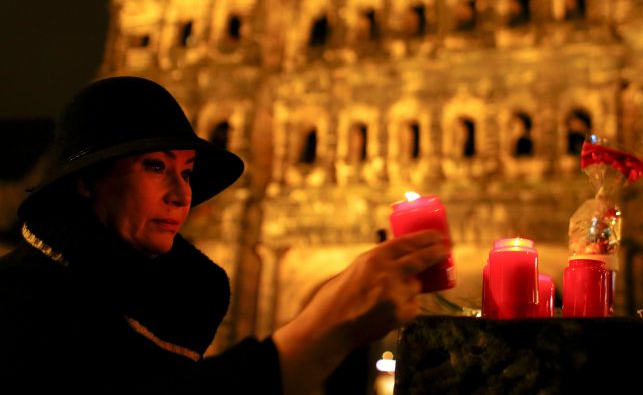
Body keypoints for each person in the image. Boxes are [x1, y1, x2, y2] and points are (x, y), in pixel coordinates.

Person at [0, 76, 448, 394]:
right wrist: (320, 330)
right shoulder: (23, 296)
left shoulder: (175, 297)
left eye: (188, 172)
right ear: (86, 181)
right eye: (154, 166)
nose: (182, 195)